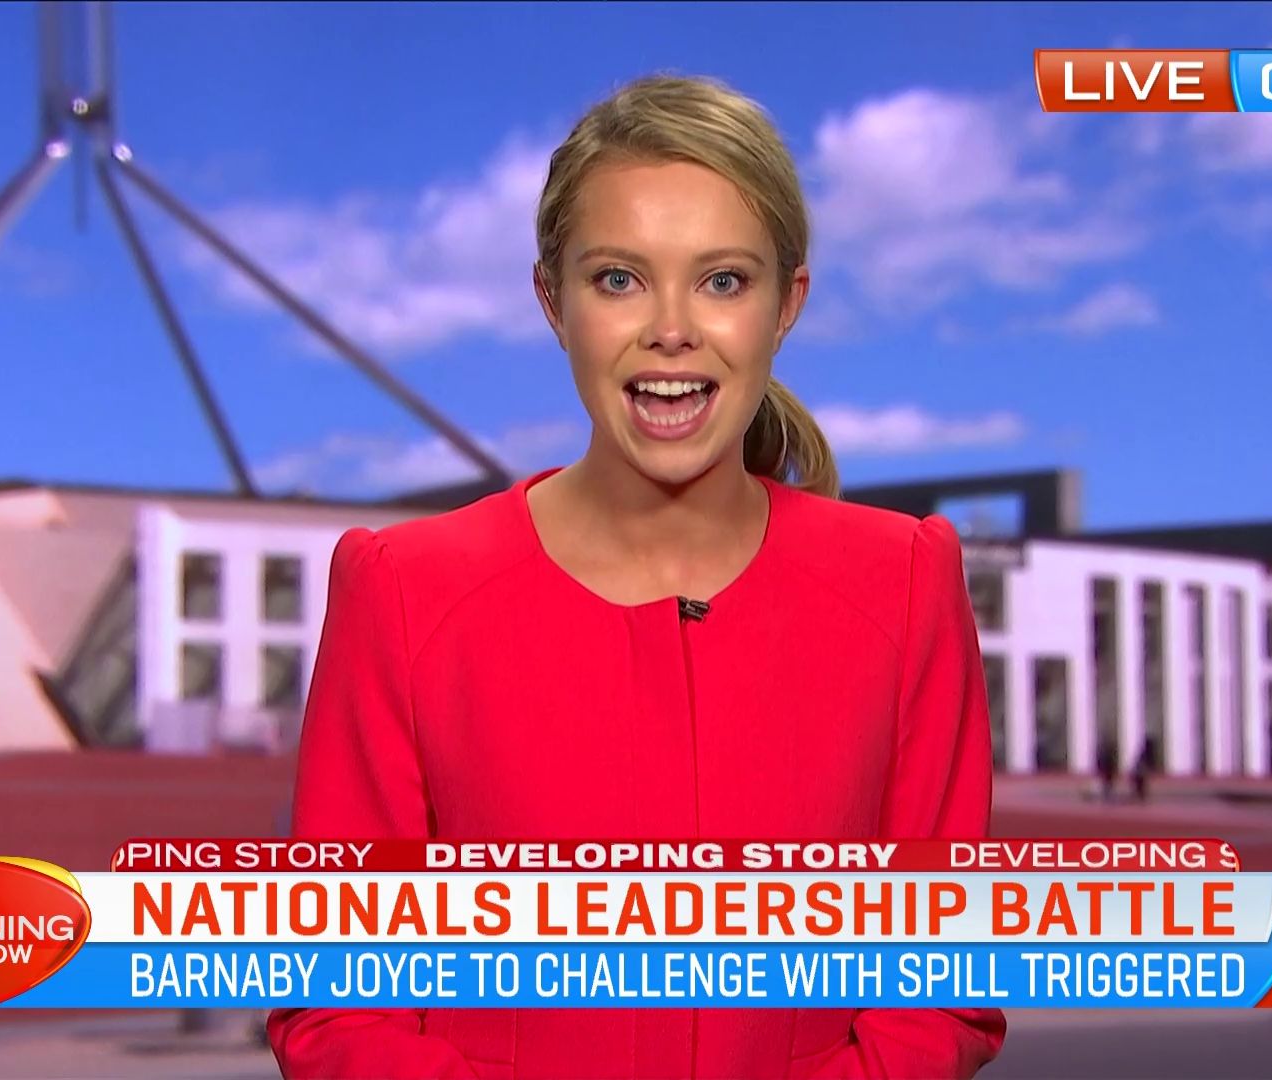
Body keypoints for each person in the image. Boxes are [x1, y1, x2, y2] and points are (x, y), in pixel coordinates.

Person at [266, 75, 1005, 1078]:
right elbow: (339, 1009)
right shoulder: (402, 590)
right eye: (618, 279)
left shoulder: (905, 584)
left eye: (723, 281)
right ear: (552, 300)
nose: (671, 329)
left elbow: (940, 990)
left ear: (787, 304)